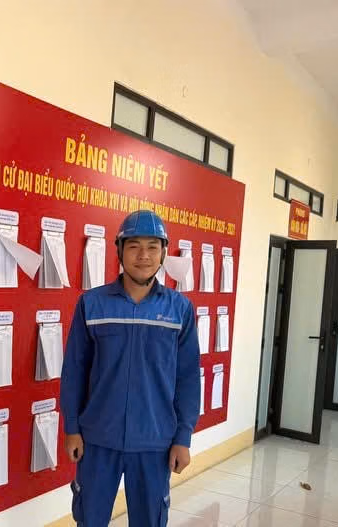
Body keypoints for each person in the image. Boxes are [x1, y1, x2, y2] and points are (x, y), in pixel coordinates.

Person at [60, 209, 201, 527]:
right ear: (120, 250)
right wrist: (72, 428)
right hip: (98, 438)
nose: (143, 256)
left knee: (149, 521)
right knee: (90, 519)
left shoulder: (179, 309)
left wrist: (183, 437)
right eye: (134, 246)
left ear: (163, 252)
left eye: (152, 247)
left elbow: (188, 378)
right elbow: (75, 371)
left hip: (155, 440)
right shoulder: (92, 304)